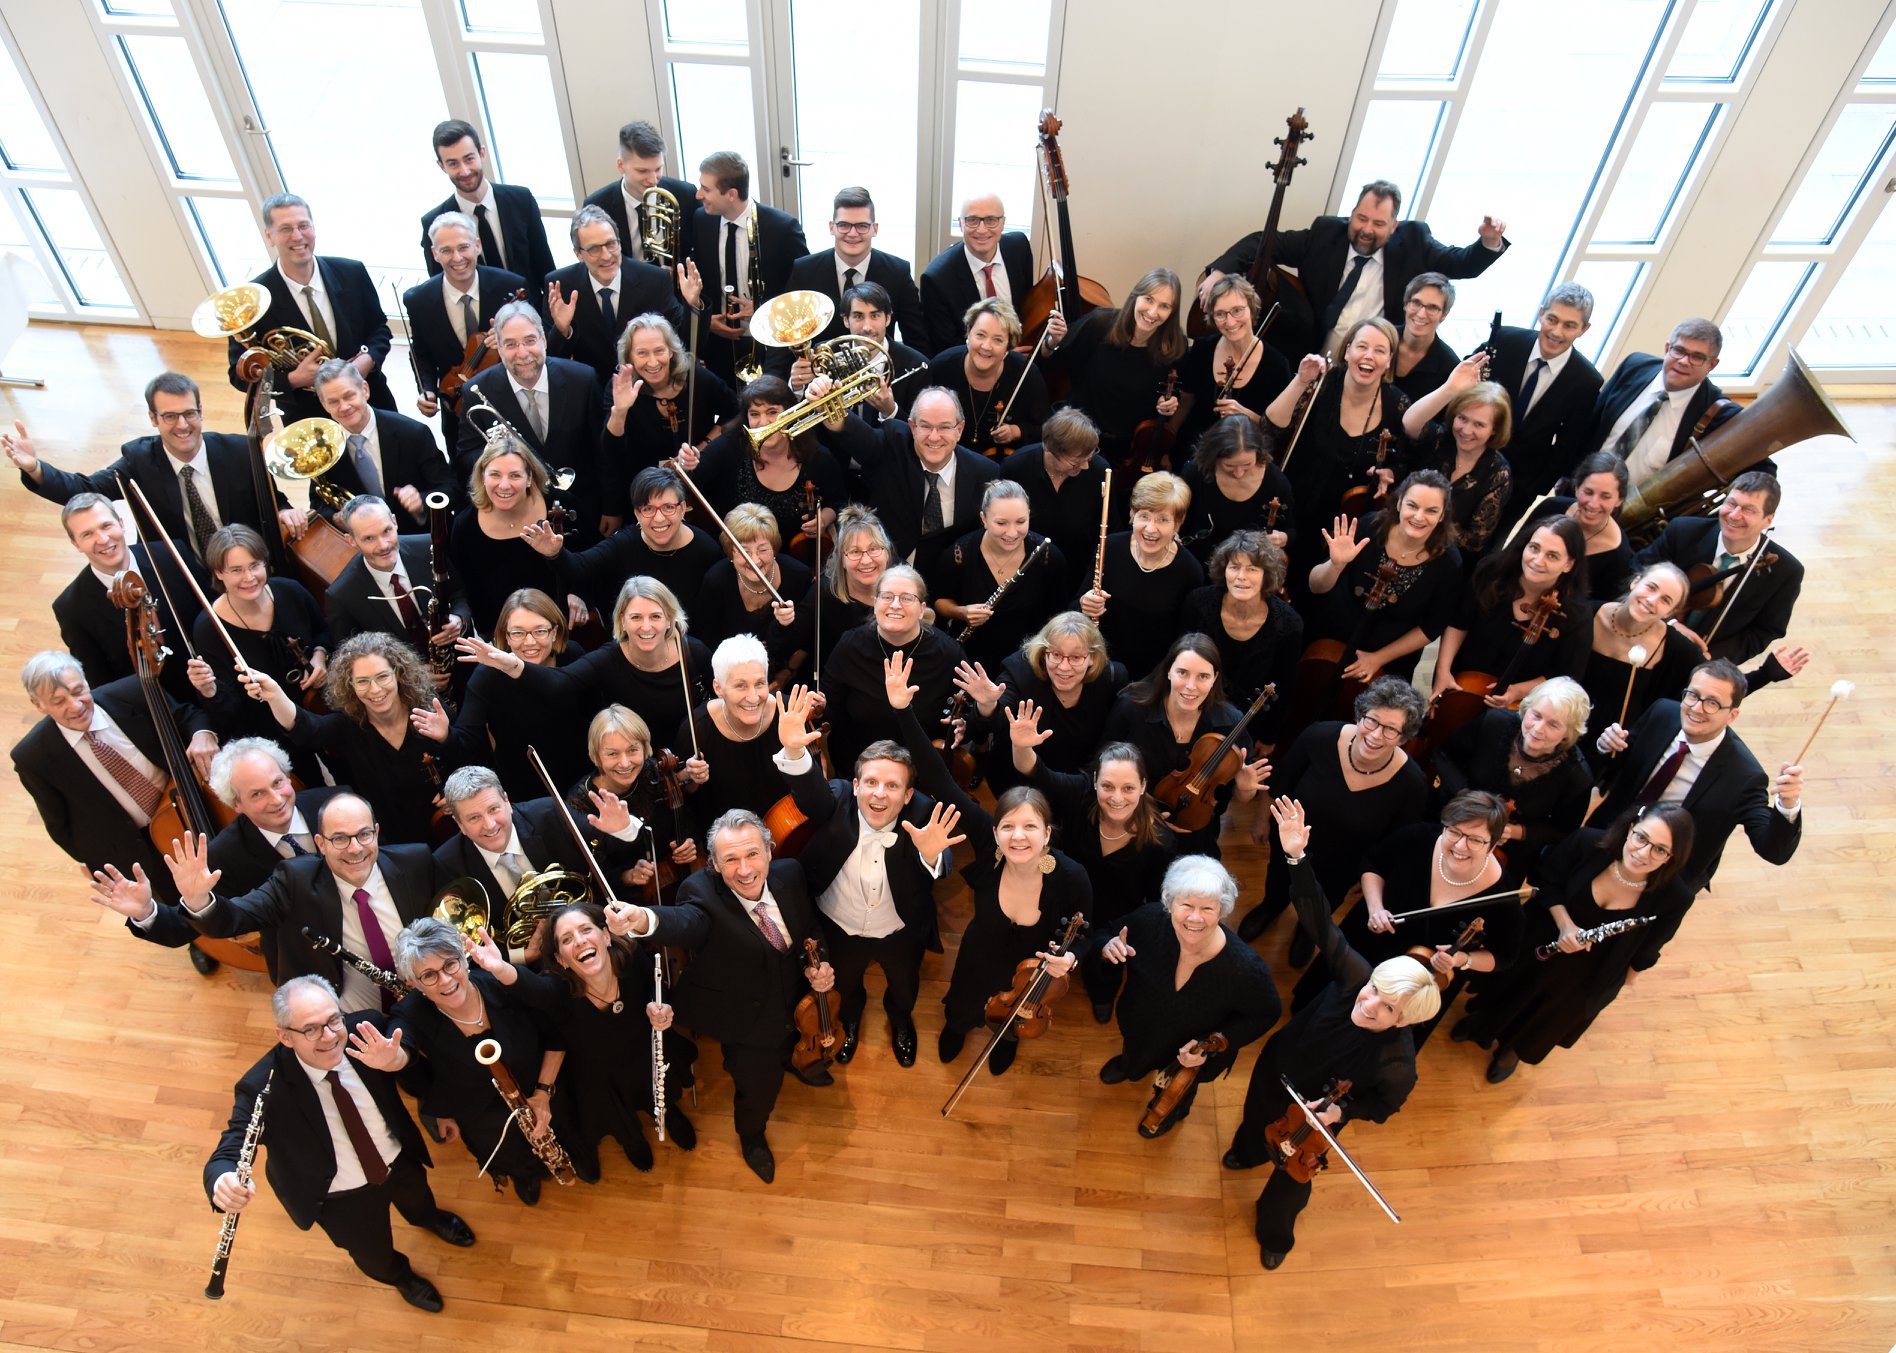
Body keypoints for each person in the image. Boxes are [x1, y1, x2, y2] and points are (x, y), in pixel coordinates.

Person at [1222, 798, 1442, 1271]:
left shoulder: (1398, 1063)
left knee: (1291, 1184)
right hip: (1277, 1068)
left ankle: (1274, 1230)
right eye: (1374, 990)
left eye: (1386, 1007)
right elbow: (1319, 918)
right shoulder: (1355, 978)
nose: (1368, 1003)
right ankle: (1245, 1150)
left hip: (1316, 1117)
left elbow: (1384, 1106)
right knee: (1252, 1118)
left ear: (1404, 1021)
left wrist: (1343, 1108)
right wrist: (1296, 856)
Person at [204, 975, 475, 1312]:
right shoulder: (261, 1085)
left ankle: (429, 1219)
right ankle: (401, 1277)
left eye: (333, 1019)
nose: (330, 1036)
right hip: (339, 1198)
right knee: (373, 1253)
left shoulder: (365, 1031)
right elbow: (230, 1147)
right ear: (284, 1036)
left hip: (397, 1159)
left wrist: (398, 1061)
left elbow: (416, 1068)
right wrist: (222, 1180)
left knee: (419, 1199)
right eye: (311, 1029)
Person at [603, 809, 835, 1183]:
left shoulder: (790, 874)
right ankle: (752, 1136)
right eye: (730, 859)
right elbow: (684, 922)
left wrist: (819, 964)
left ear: (770, 851)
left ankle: (798, 1062)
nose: (744, 870)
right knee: (757, 1087)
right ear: (713, 863)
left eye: (752, 855)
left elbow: (810, 929)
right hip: (744, 1014)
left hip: (797, 996)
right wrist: (643, 919)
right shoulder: (700, 893)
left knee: (796, 1046)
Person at [774, 674, 962, 1068]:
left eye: (892, 786)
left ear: (908, 794)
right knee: (846, 985)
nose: (880, 794)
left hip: (900, 929)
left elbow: (942, 862)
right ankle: (851, 1021)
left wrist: (931, 857)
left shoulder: (925, 812)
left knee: (905, 986)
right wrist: (794, 750)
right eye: (871, 782)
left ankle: (901, 1021)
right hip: (838, 926)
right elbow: (811, 792)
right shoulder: (839, 798)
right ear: (856, 784)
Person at [1453, 805, 1698, 1084]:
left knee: (1549, 1018)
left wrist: (1621, 981)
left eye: (1660, 850)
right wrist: (1566, 925)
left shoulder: (1676, 897)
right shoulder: (1588, 842)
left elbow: (1650, 946)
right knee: (1511, 987)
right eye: (1641, 838)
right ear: (1631, 828)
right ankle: (1480, 1026)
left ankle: (1512, 1052)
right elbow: (1546, 880)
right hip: (1542, 940)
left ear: (1672, 858)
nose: (1643, 853)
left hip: (1590, 972)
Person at [167, 793, 436, 1010]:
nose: (355, 848)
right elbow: (235, 918)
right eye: (340, 839)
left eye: (364, 834)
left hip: (426, 995)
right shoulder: (294, 879)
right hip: (345, 1011)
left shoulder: (416, 862)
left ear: (376, 833)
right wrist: (198, 898)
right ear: (320, 843)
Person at [1288, 791, 1522, 1035]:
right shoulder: (1420, 837)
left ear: (1493, 844)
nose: (1460, 846)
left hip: (1414, 981)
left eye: (1475, 840)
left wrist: (1462, 959)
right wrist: (1375, 907)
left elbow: (1505, 955)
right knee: (1313, 1005)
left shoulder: (1503, 896)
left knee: (1360, 1036)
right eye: (1454, 831)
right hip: (1367, 940)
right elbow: (1373, 863)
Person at [1200, 178, 1508, 361]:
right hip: (1305, 354)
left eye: (1378, 224)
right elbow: (1264, 243)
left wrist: (1489, 242)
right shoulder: (1325, 233)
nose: (1366, 230)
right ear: (1352, 214)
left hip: (1367, 367)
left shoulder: (1415, 241)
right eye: (1361, 218)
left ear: (1394, 226)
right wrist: (1218, 271)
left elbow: (1461, 264)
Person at [13, 649, 217, 922]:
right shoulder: (32, 757)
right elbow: (59, 826)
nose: (75, 706)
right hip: (134, 842)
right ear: (38, 705)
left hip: (185, 803)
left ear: (86, 680)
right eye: (58, 701)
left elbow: (187, 716)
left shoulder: (133, 691)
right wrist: (94, 860)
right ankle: (199, 939)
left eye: (78, 691)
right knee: (171, 896)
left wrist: (203, 734)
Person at [6, 370, 302, 553]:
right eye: (169, 416)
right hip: (182, 570)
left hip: (245, 563)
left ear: (201, 411)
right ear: (152, 418)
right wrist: (34, 468)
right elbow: (85, 490)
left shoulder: (240, 451)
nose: (182, 425)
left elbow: (275, 499)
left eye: (189, 413)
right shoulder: (139, 460)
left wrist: (286, 510)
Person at [1007, 705, 1173, 1023]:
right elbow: (1037, 773)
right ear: (1094, 780)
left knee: (1108, 964)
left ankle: (1102, 992)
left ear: (1143, 786)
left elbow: (1154, 904)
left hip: (1114, 921)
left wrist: (1117, 938)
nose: (1116, 798)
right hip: (1065, 903)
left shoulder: (1160, 842)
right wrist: (1021, 745)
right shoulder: (1080, 795)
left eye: (1128, 788)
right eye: (1107, 786)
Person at [1235, 677, 1431, 944]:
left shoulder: (1412, 783)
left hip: (1343, 865)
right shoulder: (1318, 736)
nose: (1375, 735)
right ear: (1360, 715)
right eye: (1371, 720)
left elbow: (1394, 842)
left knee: (1321, 906)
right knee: (1278, 882)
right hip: (1290, 844)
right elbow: (1281, 783)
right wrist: (1262, 820)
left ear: (1404, 737)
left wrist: (1368, 876)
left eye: (1390, 729)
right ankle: (1271, 907)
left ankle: (1307, 931)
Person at [387, 918, 570, 1205]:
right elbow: (402, 1050)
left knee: (564, 1131)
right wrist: (392, 1059)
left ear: (464, 958)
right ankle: (524, 1174)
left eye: (450, 964)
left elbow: (555, 1040)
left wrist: (543, 1094)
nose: (445, 980)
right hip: (480, 1114)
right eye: (429, 975)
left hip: (542, 1088)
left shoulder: (500, 982)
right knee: (507, 1152)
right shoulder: (410, 1013)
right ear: (414, 983)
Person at [925, 765, 1092, 1077]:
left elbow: (1085, 933)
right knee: (963, 1004)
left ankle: (1006, 1036)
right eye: (1007, 826)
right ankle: (957, 1027)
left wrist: (1071, 957)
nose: (1017, 836)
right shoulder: (992, 853)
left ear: (1047, 833)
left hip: (1027, 976)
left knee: (1014, 1015)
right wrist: (904, 713)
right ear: (994, 833)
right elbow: (942, 781)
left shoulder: (1071, 877)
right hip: (978, 955)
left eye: (1030, 826)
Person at [1094, 856, 1281, 1135]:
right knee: (1135, 1053)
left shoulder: (1246, 969)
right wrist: (1107, 946)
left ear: (1222, 910)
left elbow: (1268, 1012)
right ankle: (1130, 1067)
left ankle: (1170, 1114)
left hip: (1190, 1052)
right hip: (1142, 1025)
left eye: (1207, 908)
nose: (1195, 918)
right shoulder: (1148, 920)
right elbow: (1107, 932)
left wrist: (1213, 1044)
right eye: (1186, 905)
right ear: (1170, 904)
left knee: (1179, 1089)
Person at [1591, 658, 1803, 896]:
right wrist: (1605, 747)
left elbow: (1774, 851)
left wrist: (1787, 806)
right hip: (1606, 837)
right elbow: (1613, 770)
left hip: (1664, 875)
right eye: (1693, 695)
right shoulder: (1662, 712)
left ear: (1732, 716)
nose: (1696, 708)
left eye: (1712, 702)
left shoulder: (1745, 776)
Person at [464, 575, 713, 758]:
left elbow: (714, 708)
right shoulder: (607, 658)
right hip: (633, 764)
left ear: (670, 619)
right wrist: (513, 664)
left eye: (655, 617)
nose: (646, 627)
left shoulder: (694, 653)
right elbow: (560, 682)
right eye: (636, 617)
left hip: (694, 761)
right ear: (622, 621)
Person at [533, 902, 697, 1175]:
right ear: (560, 958)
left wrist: (663, 1010)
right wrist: (542, 1090)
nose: (580, 941)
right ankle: (631, 1140)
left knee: (660, 1088)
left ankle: (668, 1114)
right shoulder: (556, 992)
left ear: (606, 935)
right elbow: (554, 1041)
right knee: (617, 1115)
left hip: (644, 1052)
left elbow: (657, 992)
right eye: (566, 939)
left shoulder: (631, 958)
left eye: (586, 929)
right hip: (600, 1075)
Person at [242, 633, 447, 847]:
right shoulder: (346, 726)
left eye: (382, 676)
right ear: (350, 684)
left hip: (447, 828)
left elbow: (465, 753)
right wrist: (275, 695)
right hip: (391, 842)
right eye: (362, 681)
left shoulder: (430, 710)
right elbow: (306, 728)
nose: (375, 689)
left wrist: (456, 791)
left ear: (398, 674)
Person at [1100, 633, 1270, 860]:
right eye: (1182, 673)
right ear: (1169, 671)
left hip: (1196, 827)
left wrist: (1245, 789)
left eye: (1203, 676)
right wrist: (1145, 813)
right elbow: (1102, 766)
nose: (1191, 686)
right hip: (1133, 819)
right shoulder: (1132, 708)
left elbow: (1239, 796)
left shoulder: (1230, 723)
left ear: (1214, 678)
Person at [229, 194, 394, 424]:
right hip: (307, 416)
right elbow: (239, 376)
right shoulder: (250, 301)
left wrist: (368, 359)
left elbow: (379, 329)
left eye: (303, 226)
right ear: (269, 236)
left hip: (370, 400)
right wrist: (293, 379)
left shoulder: (352, 272)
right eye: (286, 229)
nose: (297, 236)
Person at [184, 524, 330, 782]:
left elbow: (323, 632)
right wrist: (208, 690)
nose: (249, 577)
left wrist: (320, 656)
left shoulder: (290, 590)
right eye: (236, 570)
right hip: (272, 736)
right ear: (219, 573)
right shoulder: (208, 629)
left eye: (254, 565)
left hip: (321, 710)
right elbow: (229, 713)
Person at [429, 766, 619, 964]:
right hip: (533, 970)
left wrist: (624, 830)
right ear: (460, 825)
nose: (490, 825)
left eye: (493, 809)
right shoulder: (448, 864)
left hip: (596, 939)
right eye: (474, 818)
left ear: (507, 802)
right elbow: (461, 947)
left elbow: (608, 842)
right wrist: (523, 956)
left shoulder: (549, 813)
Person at [452, 301, 608, 539]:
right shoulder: (476, 390)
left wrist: (611, 507)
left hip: (582, 507)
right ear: (500, 349)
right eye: (511, 345)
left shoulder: (583, 379)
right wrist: (497, 452)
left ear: (544, 340)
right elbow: (466, 455)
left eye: (529, 341)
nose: (522, 353)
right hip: (517, 514)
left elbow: (602, 450)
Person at [1264, 320, 1409, 572]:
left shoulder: (1397, 404)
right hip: (1294, 509)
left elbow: (1409, 458)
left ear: (1389, 360)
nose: (1368, 356)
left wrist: (1391, 472)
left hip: (1344, 528)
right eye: (1361, 346)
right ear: (1347, 350)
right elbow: (1271, 425)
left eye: (1379, 350)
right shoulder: (1323, 382)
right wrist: (1300, 380)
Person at [1304, 470, 1464, 697]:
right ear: (1399, 503)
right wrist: (1335, 565)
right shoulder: (1371, 526)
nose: (1419, 516)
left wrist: (1378, 659)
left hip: (1391, 658)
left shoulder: (1449, 562)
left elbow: (1431, 627)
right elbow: (1315, 587)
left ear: (1442, 516)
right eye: (1412, 505)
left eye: (1431, 511)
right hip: (1332, 635)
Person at [46, 491, 208, 709]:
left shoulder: (171, 554)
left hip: (213, 684)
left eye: (106, 526)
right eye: (87, 534)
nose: (102, 540)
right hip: (152, 709)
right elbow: (101, 683)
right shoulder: (71, 608)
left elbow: (212, 613)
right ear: (75, 544)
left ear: (122, 524)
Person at [818, 384, 1001, 576]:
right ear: (912, 427)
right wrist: (826, 404)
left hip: (949, 584)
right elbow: (856, 436)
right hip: (882, 576)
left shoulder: (985, 473)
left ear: (960, 429)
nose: (934, 437)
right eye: (925, 426)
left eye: (945, 427)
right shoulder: (893, 443)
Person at [1433, 677, 1596, 881]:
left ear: (1569, 732)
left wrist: (1514, 831)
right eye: (1535, 715)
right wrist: (1469, 800)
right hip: (1453, 824)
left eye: (1553, 725)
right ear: (1526, 708)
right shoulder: (1494, 722)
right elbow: (1445, 756)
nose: (1538, 729)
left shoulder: (1577, 776)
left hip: (1510, 854)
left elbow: (1563, 831)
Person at [1428, 515, 1591, 720]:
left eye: (1552, 556)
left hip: (1518, 707)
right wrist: (1443, 672)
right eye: (1534, 548)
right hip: (1460, 681)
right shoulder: (1492, 572)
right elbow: (1459, 622)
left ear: (1569, 564)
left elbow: (1565, 675)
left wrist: (1516, 692)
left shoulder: (1575, 616)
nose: (1538, 560)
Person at [1633, 470, 1803, 664]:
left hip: (1702, 662)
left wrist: (1705, 657)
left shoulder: (1787, 572)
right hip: (1645, 635)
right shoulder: (1683, 531)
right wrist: (1668, 624)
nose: (1734, 515)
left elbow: (1764, 630)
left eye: (1748, 510)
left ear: (1768, 520)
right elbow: (1637, 573)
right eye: (1731, 503)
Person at [952, 610, 1129, 792]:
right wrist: (987, 704)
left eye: (1076, 657)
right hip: (1019, 782)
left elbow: (1113, 740)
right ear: (1044, 653)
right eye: (1056, 655)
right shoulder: (1019, 669)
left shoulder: (1113, 678)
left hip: (1081, 784)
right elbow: (993, 721)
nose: (1064, 667)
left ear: (1092, 657)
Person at [402, 210, 529, 453]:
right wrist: (426, 388)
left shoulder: (511, 285)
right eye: (446, 250)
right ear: (434, 254)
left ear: (477, 246)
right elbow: (421, 352)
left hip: (509, 397)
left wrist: (507, 343)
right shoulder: (418, 299)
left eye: (463, 247)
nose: (457, 257)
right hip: (456, 404)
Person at [821, 564, 965, 779]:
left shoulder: (949, 653)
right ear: (875, 602)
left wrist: (965, 722)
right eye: (887, 596)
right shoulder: (850, 646)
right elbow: (828, 709)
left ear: (922, 608)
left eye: (907, 598)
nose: (895, 605)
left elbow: (966, 713)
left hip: (922, 775)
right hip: (858, 770)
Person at [530, 464, 725, 619]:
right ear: (636, 513)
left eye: (668, 507)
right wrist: (554, 553)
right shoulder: (623, 543)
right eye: (648, 509)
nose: (659, 518)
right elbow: (578, 567)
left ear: (683, 508)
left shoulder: (706, 549)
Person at [684, 375, 846, 553]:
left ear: (791, 412)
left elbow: (838, 502)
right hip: (737, 556)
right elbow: (688, 482)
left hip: (795, 561)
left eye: (772, 412)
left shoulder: (817, 457)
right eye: (754, 414)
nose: (763, 422)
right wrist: (688, 465)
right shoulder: (731, 446)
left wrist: (823, 519)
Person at [1047, 267, 1187, 464]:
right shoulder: (1100, 324)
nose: (1153, 312)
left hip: (1127, 451)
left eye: (1164, 306)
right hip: (1077, 437)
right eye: (1148, 299)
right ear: (1135, 297)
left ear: (1172, 312)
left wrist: (1168, 404)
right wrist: (1051, 342)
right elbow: (1053, 362)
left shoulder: (1174, 345)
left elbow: (1170, 395)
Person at [448, 432, 583, 637]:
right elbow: (462, 590)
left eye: (515, 475)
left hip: (561, 628)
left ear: (529, 478)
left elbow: (591, 560)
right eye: (495, 474)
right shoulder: (465, 526)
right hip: (501, 636)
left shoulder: (561, 505)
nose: (504, 485)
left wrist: (580, 594)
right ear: (482, 477)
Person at [1486, 282, 1604, 516]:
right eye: (1552, 319)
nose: (1557, 332)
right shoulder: (1504, 340)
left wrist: (1536, 486)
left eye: (1570, 325)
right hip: (1471, 457)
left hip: (1520, 483)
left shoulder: (1587, 381)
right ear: (1541, 314)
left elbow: (1568, 444)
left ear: (1584, 329)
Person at [692, 150, 810, 380]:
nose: (698, 195)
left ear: (732, 194)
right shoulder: (701, 220)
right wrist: (707, 321)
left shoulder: (783, 228)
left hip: (770, 345)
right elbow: (702, 279)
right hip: (720, 342)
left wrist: (763, 309)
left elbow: (800, 290)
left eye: (706, 189)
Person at [1078, 470, 1206, 682]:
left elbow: (1183, 642)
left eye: (1163, 520)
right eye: (1144, 516)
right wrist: (1084, 604)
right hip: (1097, 667)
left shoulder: (1190, 571)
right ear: (1131, 514)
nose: (1150, 529)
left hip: (1149, 679)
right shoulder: (1110, 546)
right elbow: (1075, 605)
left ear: (1178, 524)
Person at [1180, 530, 1303, 749]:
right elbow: (1177, 661)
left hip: (1248, 725)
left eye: (1252, 569)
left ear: (1267, 574)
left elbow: (1285, 687)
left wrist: (1269, 737)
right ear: (1224, 570)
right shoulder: (1198, 603)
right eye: (1234, 567)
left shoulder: (1288, 624)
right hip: (1192, 708)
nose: (1241, 577)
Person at [927, 479, 1067, 671]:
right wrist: (963, 612)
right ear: (983, 519)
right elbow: (939, 602)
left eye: (1021, 521)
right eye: (1001, 523)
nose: (1012, 533)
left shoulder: (1047, 556)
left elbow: (1060, 614)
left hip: (1029, 662)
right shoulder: (959, 554)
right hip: (971, 659)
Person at [545, 204, 690, 390]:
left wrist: (693, 304)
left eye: (611, 244)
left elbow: (683, 338)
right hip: (593, 392)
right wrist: (562, 330)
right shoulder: (560, 286)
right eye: (594, 249)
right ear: (579, 254)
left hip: (647, 389)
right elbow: (554, 361)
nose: (606, 256)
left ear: (620, 243)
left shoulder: (654, 280)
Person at [772, 186, 925, 357]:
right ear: (832, 227)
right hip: (818, 376)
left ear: (875, 229)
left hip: (878, 373)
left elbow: (917, 340)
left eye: (862, 226)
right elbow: (784, 336)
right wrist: (784, 380)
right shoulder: (804, 271)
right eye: (844, 225)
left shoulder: (898, 272)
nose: (852, 233)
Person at [565, 704, 697, 901]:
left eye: (632, 750)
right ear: (596, 756)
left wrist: (687, 842)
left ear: (645, 748)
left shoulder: (653, 772)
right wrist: (627, 877)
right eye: (612, 754)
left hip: (674, 876)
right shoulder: (581, 803)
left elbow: (684, 819)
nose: (625, 763)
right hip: (630, 900)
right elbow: (592, 874)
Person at [1579, 317, 1739, 480]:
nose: (1684, 361)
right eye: (1679, 350)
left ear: (1712, 365)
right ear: (1667, 348)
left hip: (1639, 505)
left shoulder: (1717, 411)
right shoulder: (1634, 366)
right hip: (1581, 489)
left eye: (1697, 357)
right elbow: (1591, 424)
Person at [312, 360, 457, 528]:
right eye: (333, 401)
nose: (344, 407)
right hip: (360, 544)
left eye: (349, 396)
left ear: (365, 390)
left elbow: (451, 489)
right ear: (323, 404)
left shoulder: (413, 433)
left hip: (416, 536)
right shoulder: (322, 448)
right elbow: (318, 501)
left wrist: (421, 501)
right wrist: (336, 518)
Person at [326, 495, 469, 665]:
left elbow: (459, 593)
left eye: (386, 531)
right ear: (351, 541)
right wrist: (410, 676)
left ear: (394, 522)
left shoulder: (428, 547)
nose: (384, 545)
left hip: (460, 663)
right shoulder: (341, 596)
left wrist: (460, 619)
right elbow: (352, 659)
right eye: (369, 538)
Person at [418, 118, 555, 292]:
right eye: (453, 163)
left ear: (482, 153)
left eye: (469, 159)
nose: (464, 171)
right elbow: (442, 286)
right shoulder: (434, 222)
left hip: (530, 311)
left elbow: (545, 266)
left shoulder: (521, 200)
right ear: (441, 166)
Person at [1399, 356, 1515, 560]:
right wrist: (1450, 388)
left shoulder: (1498, 473)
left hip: (1441, 556)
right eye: (1462, 418)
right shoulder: (1441, 437)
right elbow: (1410, 424)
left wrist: (1425, 521)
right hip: (1400, 532)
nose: (1466, 430)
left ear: (1494, 430)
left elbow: (1474, 541)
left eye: (1479, 425)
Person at [998, 407, 1119, 599]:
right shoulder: (1015, 467)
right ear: (1049, 449)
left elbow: (1110, 530)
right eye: (1075, 461)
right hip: (1025, 576)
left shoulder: (1099, 471)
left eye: (1089, 457)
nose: (1086, 465)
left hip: (1076, 578)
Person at [1578, 562, 1700, 753]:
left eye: (1665, 600)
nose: (1652, 600)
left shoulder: (1678, 650)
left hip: (1611, 748)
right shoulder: (1585, 615)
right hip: (1559, 724)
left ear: (1669, 613)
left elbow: (1710, 687)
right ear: (1635, 582)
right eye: (1651, 587)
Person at [599, 311, 736, 473]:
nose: (652, 362)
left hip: (702, 473)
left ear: (671, 351)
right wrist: (620, 412)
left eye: (659, 350)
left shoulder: (696, 376)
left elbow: (735, 412)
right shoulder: (620, 387)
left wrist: (703, 446)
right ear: (630, 357)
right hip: (646, 483)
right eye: (642, 353)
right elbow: (611, 453)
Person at [679, 634, 792, 828]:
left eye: (759, 683)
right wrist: (690, 776)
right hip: (727, 840)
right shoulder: (697, 728)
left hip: (789, 830)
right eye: (740, 685)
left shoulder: (788, 711)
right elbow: (688, 795)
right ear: (718, 688)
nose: (753, 697)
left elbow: (814, 779)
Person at [1173, 274, 1292, 451]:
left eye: (1237, 310)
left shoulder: (1276, 365)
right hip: (1191, 450)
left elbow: (1279, 432)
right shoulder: (1202, 349)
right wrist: (1165, 446)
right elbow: (1185, 403)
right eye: (1220, 314)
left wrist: (1248, 416)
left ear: (1251, 308)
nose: (1230, 322)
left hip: (1240, 461)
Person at [773, 505, 891, 681]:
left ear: (887, 553)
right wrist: (783, 623)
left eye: (874, 549)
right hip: (836, 686)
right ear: (841, 559)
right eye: (855, 552)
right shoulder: (824, 591)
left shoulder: (903, 581)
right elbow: (783, 646)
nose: (866, 560)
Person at [1501, 450, 1633, 602]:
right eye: (1588, 492)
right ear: (1576, 488)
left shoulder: (1619, 557)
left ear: (1619, 499)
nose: (1593, 504)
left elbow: (1595, 610)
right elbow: (1510, 557)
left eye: (1605, 496)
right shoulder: (1551, 507)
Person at [924, 298, 1050, 456]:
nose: (986, 346)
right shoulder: (941, 367)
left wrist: (1016, 431)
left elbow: (1045, 428)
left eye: (998, 340)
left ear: (1008, 346)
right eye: (980, 335)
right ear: (969, 333)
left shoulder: (1027, 374)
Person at [918, 192, 1036, 356]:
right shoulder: (937, 278)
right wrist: (1002, 356)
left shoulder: (1019, 247)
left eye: (991, 220)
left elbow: (1027, 307)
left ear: (1003, 223)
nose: (981, 230)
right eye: (972, 220)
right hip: (970, 366)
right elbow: (946, 346)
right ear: (960, 224)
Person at [691, 503, 813, 654]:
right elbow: (709, 644)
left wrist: (787, 673)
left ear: (774, 548)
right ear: (731, 552)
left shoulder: (799, 576)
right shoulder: (715, 582)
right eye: (744, 551)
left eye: (762, 549)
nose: (755, 560)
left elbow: (807, 642)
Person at [580, 119, 699, 268]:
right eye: (642, 171)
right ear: (621, 165)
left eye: (658, 169)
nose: (653, 179)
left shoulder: (685, 195)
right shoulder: (598, 204)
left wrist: (679, 270)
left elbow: (703, 251)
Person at [1178, 415, 1297, 565]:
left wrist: (1282, 538)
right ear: (1214, 456)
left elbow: (1291, 530)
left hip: (1244, 567)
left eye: (1247, 465)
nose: (1239, 473)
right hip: (1195, 560)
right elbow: (1177, 514)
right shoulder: (1195, 471)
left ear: (1258, 453)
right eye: (1229, 466)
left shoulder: (1276, 482)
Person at [834, 280, 928, 424]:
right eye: (858, 316)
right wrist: (798, 387)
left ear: (888, 319)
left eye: (875, 316)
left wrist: (890, 411)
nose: (867, 327)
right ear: (846, 320)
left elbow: (919, 433)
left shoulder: (917, 365)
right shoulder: (829, 354)